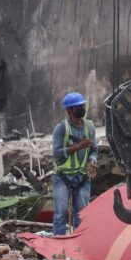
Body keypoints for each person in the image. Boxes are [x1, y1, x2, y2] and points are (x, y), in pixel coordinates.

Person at [51, 92, 99, 235]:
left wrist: (92, 161)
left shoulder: (89, 127)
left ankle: (79, 248)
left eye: (82, 106)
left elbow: (94, 150)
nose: (81, 109)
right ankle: (59, 249)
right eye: (78, 107)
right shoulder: (61, 129)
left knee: (82, 215)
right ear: (69, 111)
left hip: (82, 177)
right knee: (60, 214)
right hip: (62, 177)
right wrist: (78, 147)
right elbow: (57, 153)